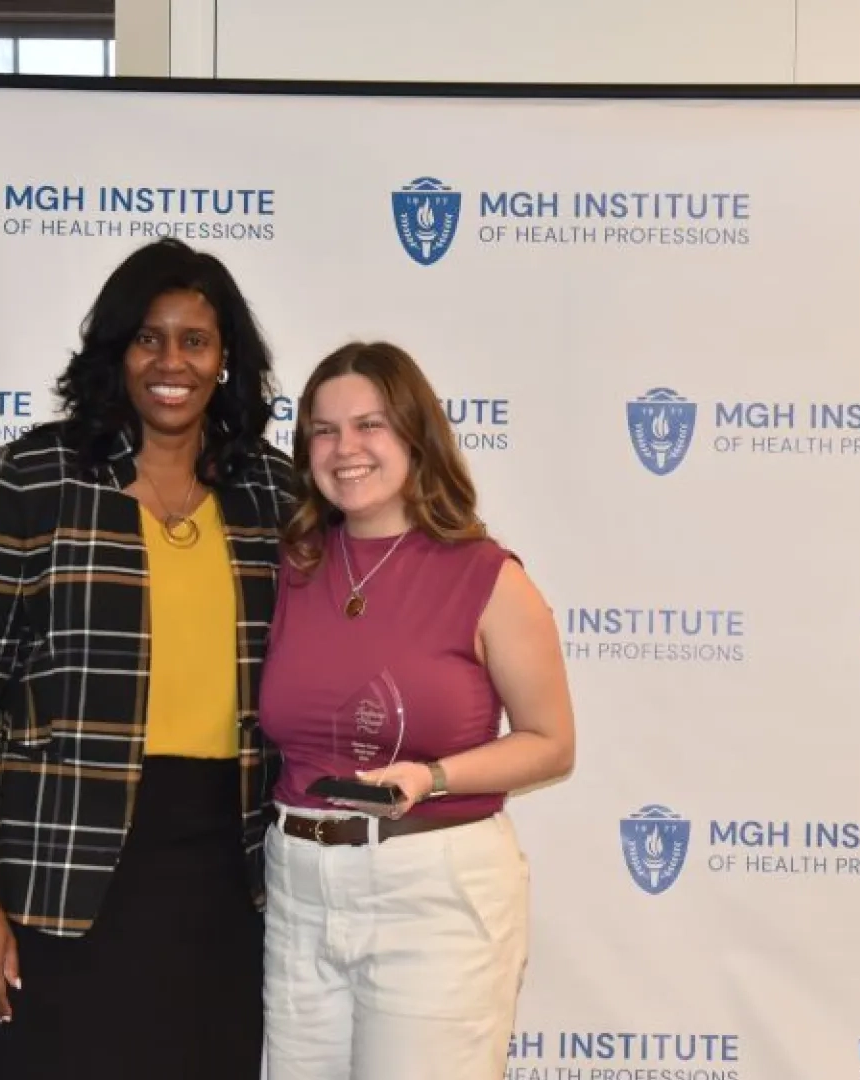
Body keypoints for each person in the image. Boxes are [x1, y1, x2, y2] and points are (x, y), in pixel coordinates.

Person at [0, 237, 296, 1079]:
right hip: (56, 873)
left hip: (222, 879)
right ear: (116, 351)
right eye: (148, 337)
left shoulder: (273, 491)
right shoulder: (35, 476)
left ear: (226, 358)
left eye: (195, 340)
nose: (172, 362)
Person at [258, 340, 576, 1080]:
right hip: (298, 886)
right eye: (324, 430)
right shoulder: (291, 565)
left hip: (432, 893)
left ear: (414, 435)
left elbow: (552, 743)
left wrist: (431, 776)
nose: (346, 449)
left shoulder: (487, 576)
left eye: (370, 425)